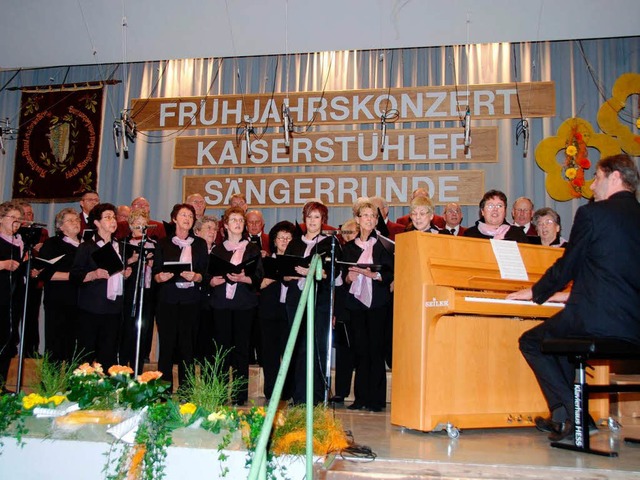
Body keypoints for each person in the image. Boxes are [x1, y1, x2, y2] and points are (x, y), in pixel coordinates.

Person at [507, 154, 640, 441]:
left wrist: (536, 292)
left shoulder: (593, 214)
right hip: (633, 325)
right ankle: (562, 417)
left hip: (596, 319)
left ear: (615, 177)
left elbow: (568, 265)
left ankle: (575, 413)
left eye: (598, 178)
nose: (593, 186)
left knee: (531, 341)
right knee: (562, 343)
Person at [283, 201, 339, 405]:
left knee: (317, 347)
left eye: (316, 217)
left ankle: (316, 396)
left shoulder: (329, 243)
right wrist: (290, 275)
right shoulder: (294, 243)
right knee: (297, 347)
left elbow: (333, 273)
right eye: (309, 217)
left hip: (319, 302)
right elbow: (285, 272)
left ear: (323, 220)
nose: (312, 221)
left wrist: (312, 273)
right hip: (295, 301)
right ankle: (298, 397)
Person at [342, 201, 394, 412]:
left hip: (378, 302)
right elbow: (342, 278)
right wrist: (349, 277)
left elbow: (391, 272)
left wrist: (376, 275)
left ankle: (376, 400)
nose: (369, 219)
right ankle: (360, 397)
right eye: (365, 215)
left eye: (373, 216)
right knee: (360, 350)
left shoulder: (384, 244)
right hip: (356, 304)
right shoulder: (349, 247)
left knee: (376, 350)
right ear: (357, 220)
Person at [209, 207, 264, 405]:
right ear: (225, 225)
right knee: (222, 350)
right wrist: (212, 281)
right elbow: (209, 275)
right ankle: (220, 392)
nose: (238, 223)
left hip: (244, 304)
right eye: (233, 220)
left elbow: (258, 276)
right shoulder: (218, 249)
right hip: (221, 303)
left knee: (242, 349)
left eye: (241, 220)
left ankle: (240, 395)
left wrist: (244, 278)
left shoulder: (252, 248)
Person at [153, 204, 207, 391]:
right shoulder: (163, 243)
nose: (187, 219)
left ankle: (186, 391)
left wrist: (197, 276)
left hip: (191, 300)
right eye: (183, 215)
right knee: (166, 347)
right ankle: (163, 391)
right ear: (174, 219)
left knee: (187, 347)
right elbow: (156, 272)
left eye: (190, 216)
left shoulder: (199, 244)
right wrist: (160, 277)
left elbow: (204, 273)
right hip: (168, 299)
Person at [70, 203, 131, 371]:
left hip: (113, 307)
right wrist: (94, 274)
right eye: (107, 217)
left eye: (114, 217)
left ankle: (107, 392)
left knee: (109, 353)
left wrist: (125, 273)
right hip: (91, 307)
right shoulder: (87, 247)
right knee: (85, 352)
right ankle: (80, 389)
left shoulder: (120, 246)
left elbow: (119, 272)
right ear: (96, 223)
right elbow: (75, 275)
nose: (113, 221)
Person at [37, 208, 81, 363]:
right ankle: (51, 385)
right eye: (70, 220)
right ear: (60, 227)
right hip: (58, 301)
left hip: (81, 302)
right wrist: (74, 276)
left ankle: (73, 385)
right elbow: (43, 272)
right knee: (55, 346)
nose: (76, 223)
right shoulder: (53, 243)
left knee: (75, 349)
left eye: (77, 220)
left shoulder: (86, 244)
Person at [258, 221, 295, 401]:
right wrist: (274, 277)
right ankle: (271, 390)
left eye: (288, 238)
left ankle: (288, 391)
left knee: (289, 353)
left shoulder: (297, 262)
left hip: (290, 313)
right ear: (274, 241)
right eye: (280, 238)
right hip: (269, 313)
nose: (284, 241)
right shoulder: (265, 261)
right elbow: (258, 284)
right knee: (269, 354)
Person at [120, 209, 157, 374]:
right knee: (126, 330)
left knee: (143, 331)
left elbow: (158, 268)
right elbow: (116, 268)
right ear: (130, 226)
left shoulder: (153, 244)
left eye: (144, 225)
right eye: (137, 225)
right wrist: (131, 260)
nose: (141, 228)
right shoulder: (123, 244)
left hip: (147, 293)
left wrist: (152, 264)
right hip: (129, 294)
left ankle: (139, 370)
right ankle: (121, 368)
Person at [0, 202, 26, 389]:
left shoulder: (19, 242)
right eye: (12, 218)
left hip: (12, 298)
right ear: (1, 219)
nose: (16, 222)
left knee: (8, 339)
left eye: (19, 219)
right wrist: (2, 264)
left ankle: (1, 383)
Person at [193, 215, 219, 362]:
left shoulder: (220, 251)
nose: (212, 231)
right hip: (196, 302)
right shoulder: (191, 252)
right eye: (208, 228)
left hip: (215, 304)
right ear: (197, 232)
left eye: (215, 229)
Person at [463, 190, 529, 243]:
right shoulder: (469, 235)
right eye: (490, 206)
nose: (495, 209)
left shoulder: (517, 233)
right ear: (482, 211)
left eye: (499, 206)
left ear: (505, 211)